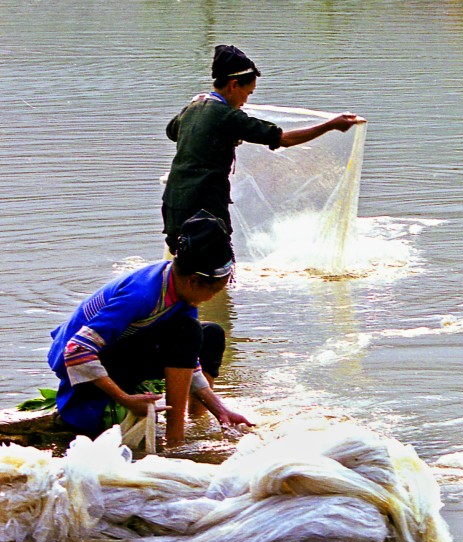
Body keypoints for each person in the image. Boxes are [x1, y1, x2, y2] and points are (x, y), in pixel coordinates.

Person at [49, 212, 253, 442]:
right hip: (80, 365)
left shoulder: (180, 291)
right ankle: (175, 439)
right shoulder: (141, 295)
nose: (212, 297)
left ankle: (198, 420)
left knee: (211, 334)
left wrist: (221, 410)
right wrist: (125, 399)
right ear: (194, 280)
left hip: (119, 352)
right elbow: (76, 349)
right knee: (188, 330)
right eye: (214, 291)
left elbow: (187, 359)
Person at [162, 44, 365, 250]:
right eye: (248, 93)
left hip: (174, 203)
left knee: (182, 258)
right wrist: (330, 125)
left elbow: (172, 131)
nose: (246, 100)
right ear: (233, 85)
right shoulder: (228, 116)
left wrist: (194, 109)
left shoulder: (194, 108)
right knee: (214, 263)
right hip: (205, 206)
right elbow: (284, 139)